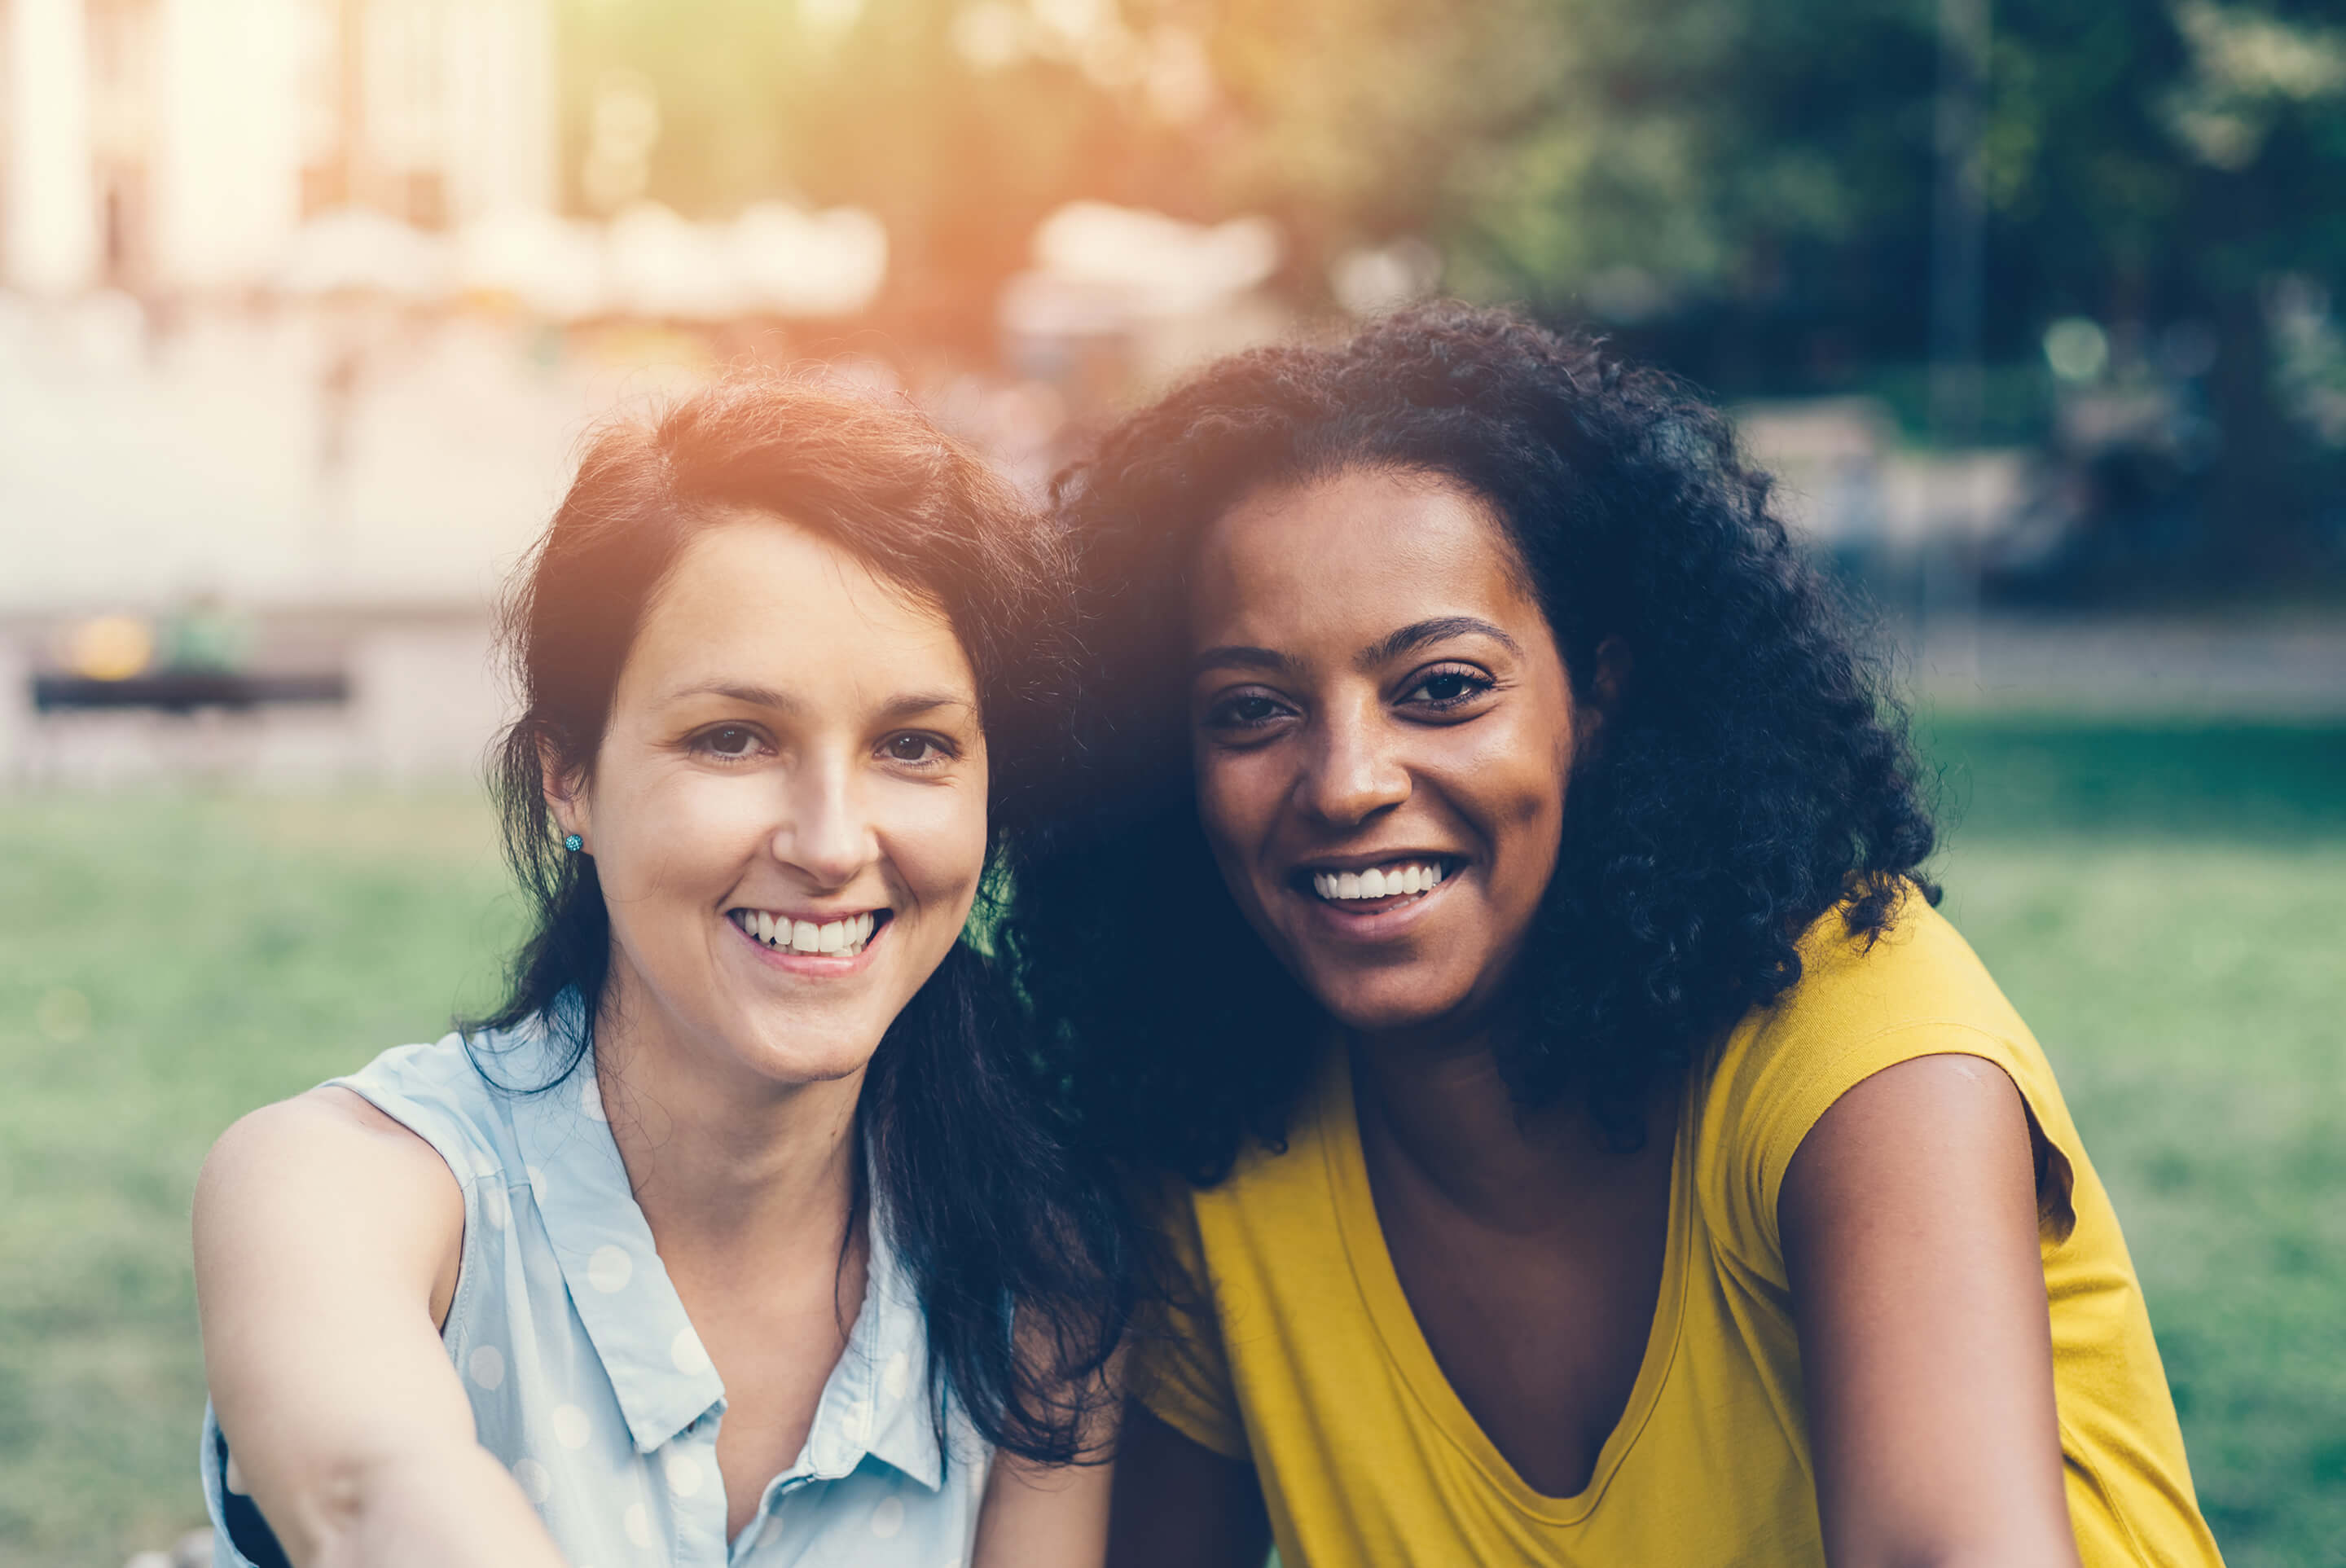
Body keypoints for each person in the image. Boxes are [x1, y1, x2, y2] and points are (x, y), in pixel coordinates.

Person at [1010, 305, 2224, 1567]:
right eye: (1253, 710)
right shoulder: (1220, 1123)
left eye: (1442, 688)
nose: (1347, 781)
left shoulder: (1861, 1046)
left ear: (1598, 691)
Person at [193, 378, 1128, 1568]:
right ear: (567, 775)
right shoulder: (337, 1184)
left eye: (914, 745)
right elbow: (376, 1494)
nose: (833, 841)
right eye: (734, 737)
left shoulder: (1040, 1283)